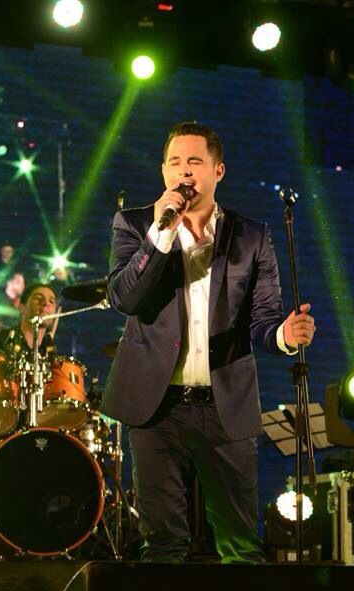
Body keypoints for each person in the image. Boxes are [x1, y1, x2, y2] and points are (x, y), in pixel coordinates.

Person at [100, 121, 316, 563]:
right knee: (163, 545)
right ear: (164, 172)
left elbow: (263, 318)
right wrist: (162, 233)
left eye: (194, 161)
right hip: (156, 408)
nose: (184, 171)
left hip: (224, 405)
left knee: (241, 544)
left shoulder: (251, 236)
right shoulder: (135, 224)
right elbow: (125, 298)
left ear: (218, 170)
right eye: (175, 162)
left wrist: (284, 335)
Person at [0, 282, 58, 357]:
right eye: (38, 298)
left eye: (51, 301)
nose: (46, 303)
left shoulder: (50, 353)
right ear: (22, 308)